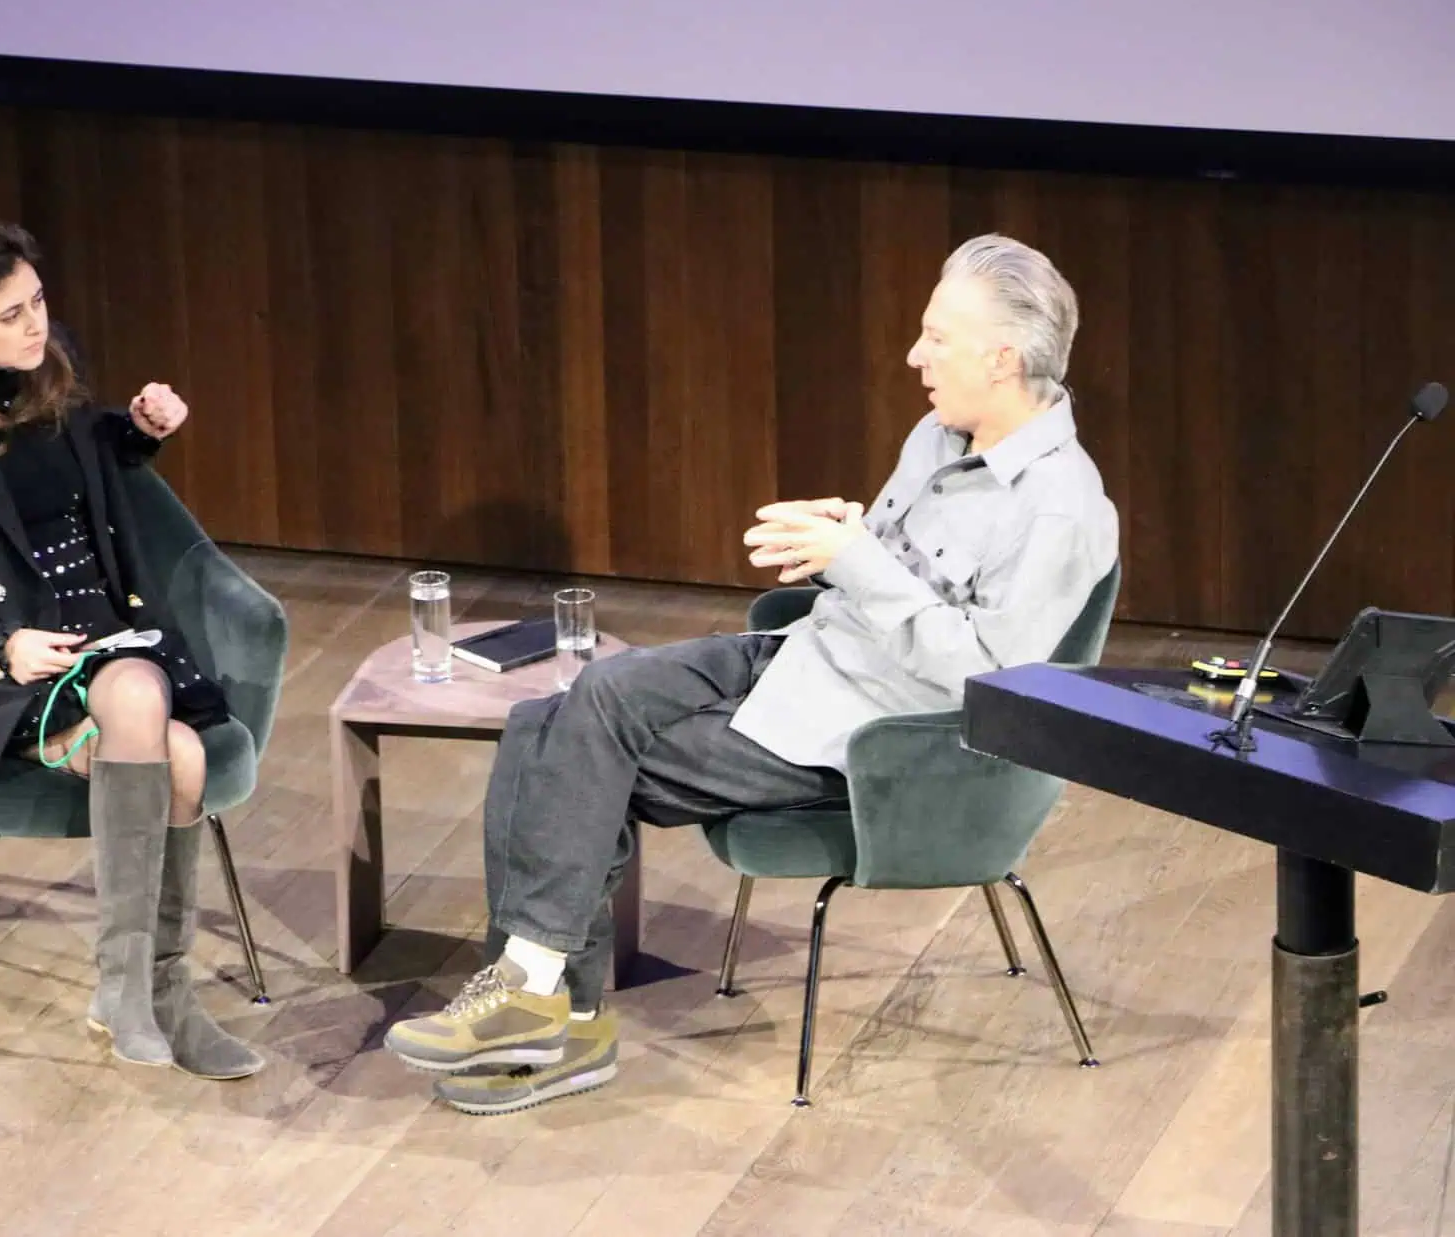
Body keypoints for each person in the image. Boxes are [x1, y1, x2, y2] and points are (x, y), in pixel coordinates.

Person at [383, 233, 1119, 1115]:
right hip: (807, 654)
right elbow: (900, 573)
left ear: (1002, 358)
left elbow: (987, 675)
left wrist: (860, 562)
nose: (914, 355)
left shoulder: (1061, 510)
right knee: (580, 701)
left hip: (876, 739)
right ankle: (546, 1006)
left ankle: (548, 1008)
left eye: (936, 337)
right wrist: (846, 537)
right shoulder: (938, 435)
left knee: (560, 748)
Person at [0, 216, 262, 1080]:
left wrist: (138, 432)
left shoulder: (51, 366)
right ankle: (144, 993)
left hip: (108, 627)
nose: (36, 325)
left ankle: (148, 992)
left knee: (166, 732)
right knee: (171, 743)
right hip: (9, 667)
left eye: (37, 301)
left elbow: (74, 464)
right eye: (10, 315)